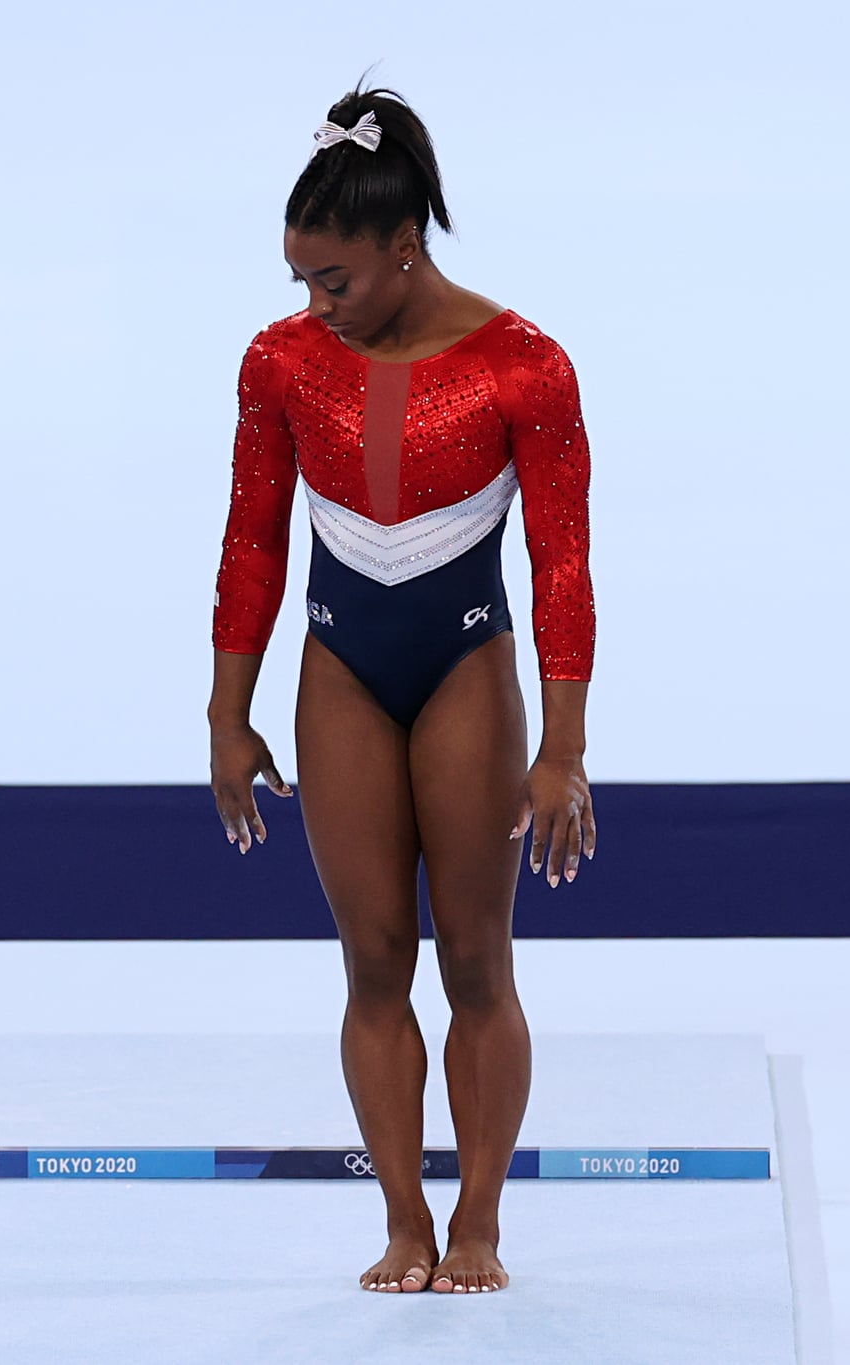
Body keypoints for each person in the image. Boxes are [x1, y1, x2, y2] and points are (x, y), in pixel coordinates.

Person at [206, 77, 597, 1296]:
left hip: (463, 669)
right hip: (342, 669)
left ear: (401, 243)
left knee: (474, 962)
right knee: (372, 961)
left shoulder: (522, 365)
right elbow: (251, 540)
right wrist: (227, 714)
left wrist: (565, 747)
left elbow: (561, 562)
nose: (314, 305)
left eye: (334, 280)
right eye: (298, 283)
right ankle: (400, 1223)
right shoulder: (278, 363)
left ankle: (476, 1220)